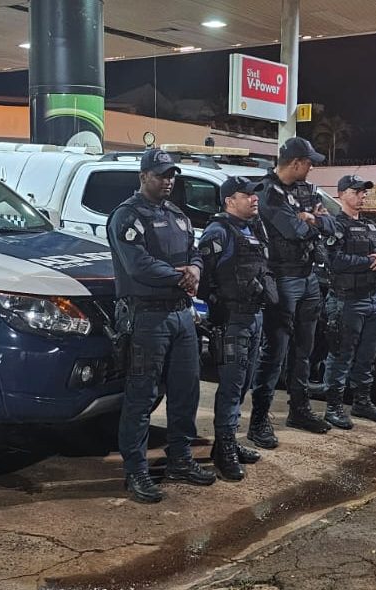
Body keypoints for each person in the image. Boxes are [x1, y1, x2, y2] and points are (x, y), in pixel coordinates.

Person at [107, 148, 216, 504]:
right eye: (160, 175)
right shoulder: (126, 216)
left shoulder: (177, 215)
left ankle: (180, 460)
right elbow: (138, 265)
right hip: (147, 317)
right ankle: (135, 471)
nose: (168, 181)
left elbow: (194, 252)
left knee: (186, 391)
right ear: (143, 176)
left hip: (182, 315)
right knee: (142, 396)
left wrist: (195, 268)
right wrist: (180, 277)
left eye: (171, 175)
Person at [247, 137, 337, 449]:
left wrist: (313, 219)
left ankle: (299, 410)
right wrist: (312, 221)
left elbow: (332, 224)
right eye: (309, 162)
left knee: (304, 349)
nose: (312, 168)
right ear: (296, 163)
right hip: (282, 278)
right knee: (275, 352)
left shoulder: (306, 190)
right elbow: (293, 231)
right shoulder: (267, 192)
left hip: (308, 276)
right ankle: (259, 420)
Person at [197, 177, 274, 480]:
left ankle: (226, 442)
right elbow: (203, 281)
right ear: (230, 200)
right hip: (232, 321)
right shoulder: (218, 232)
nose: (255, 199)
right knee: (231, 386)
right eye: (248, 195)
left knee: (243, 384)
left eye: (255, 195)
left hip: (254, 317)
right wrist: (219, 308)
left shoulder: (252, 229)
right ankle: (225, 450)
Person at [321, 175, 376, 429]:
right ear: (342, 194)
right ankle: (333, 407)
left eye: (364, 192)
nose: (362, 196)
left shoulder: (372, 227)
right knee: (341, 356)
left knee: (367, 355)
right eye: (356, 191)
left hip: (372, 299)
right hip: (346, 301)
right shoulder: (335, 226)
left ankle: (362, 402)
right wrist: (370, 262)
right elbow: (334, 261)